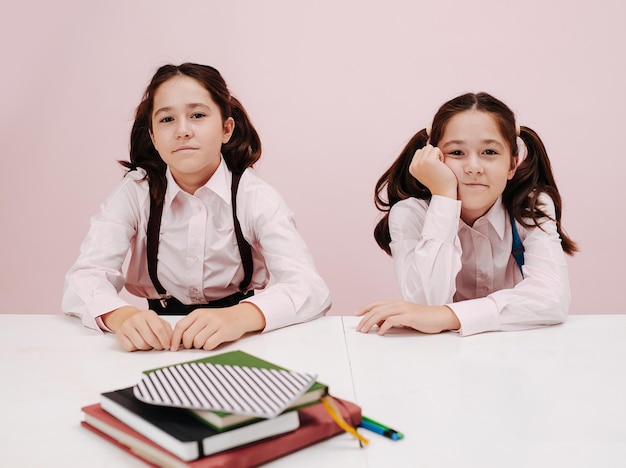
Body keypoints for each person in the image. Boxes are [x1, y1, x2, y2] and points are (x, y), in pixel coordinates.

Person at [63, 63, 331, 351]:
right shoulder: (135, 191)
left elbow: (309, 288)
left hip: (241, 337)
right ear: (153, 137)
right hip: (160, 340)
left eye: (198, 115)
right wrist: (122, 316)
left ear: (227, 128)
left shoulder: (254, 196)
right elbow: (85, 276)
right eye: (166, 120)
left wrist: (240, 317)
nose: (182, 131)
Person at [356, 92, 577, 336]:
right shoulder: (410, 214)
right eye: (457, 153)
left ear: (512, 164)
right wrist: (443, 196)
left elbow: (552, 299)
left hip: (516, 350)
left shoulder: (531, 207)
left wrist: (448, 316)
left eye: (490, 152)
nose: (473, 168)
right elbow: (426, 303)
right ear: (434, 157)